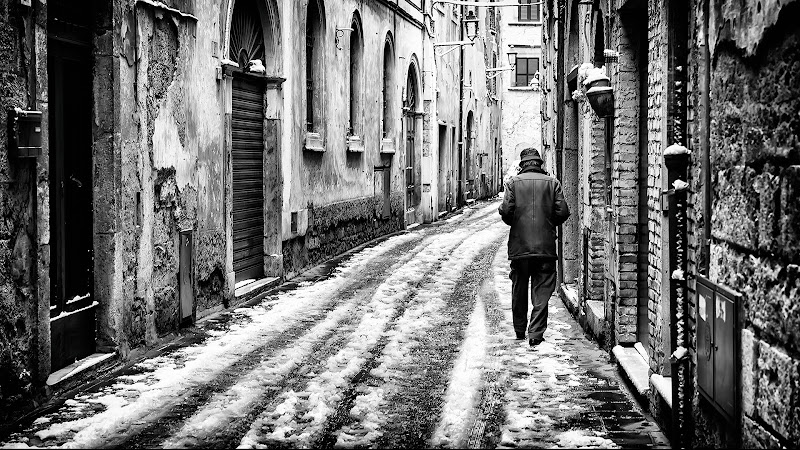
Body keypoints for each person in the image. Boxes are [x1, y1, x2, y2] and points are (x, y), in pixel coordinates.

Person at [498, 148, 570, 347]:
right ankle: (536, 334)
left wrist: (514, 221)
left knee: (519, 289)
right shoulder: (553, 183)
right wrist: (548, 222)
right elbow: (563, 212)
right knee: (542, 290)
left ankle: (520, 330)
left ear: (523, 164)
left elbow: (506, 211)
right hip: (545, 248)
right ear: (539, 163)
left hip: (519, 248)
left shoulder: (512, 183)